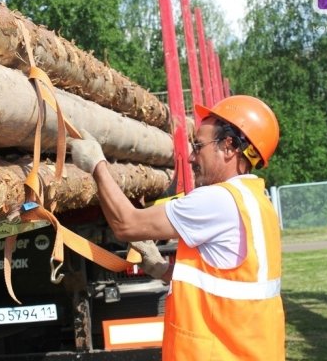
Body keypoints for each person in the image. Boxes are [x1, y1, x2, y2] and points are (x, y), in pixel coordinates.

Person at [68, 95, 285, 360]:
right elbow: (226, 282)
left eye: (199, 145)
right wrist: (162, 269)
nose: (192, 156)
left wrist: (97, 165)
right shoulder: (256, 201)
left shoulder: (218, 200)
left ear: (228, 147)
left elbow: (126, 224)